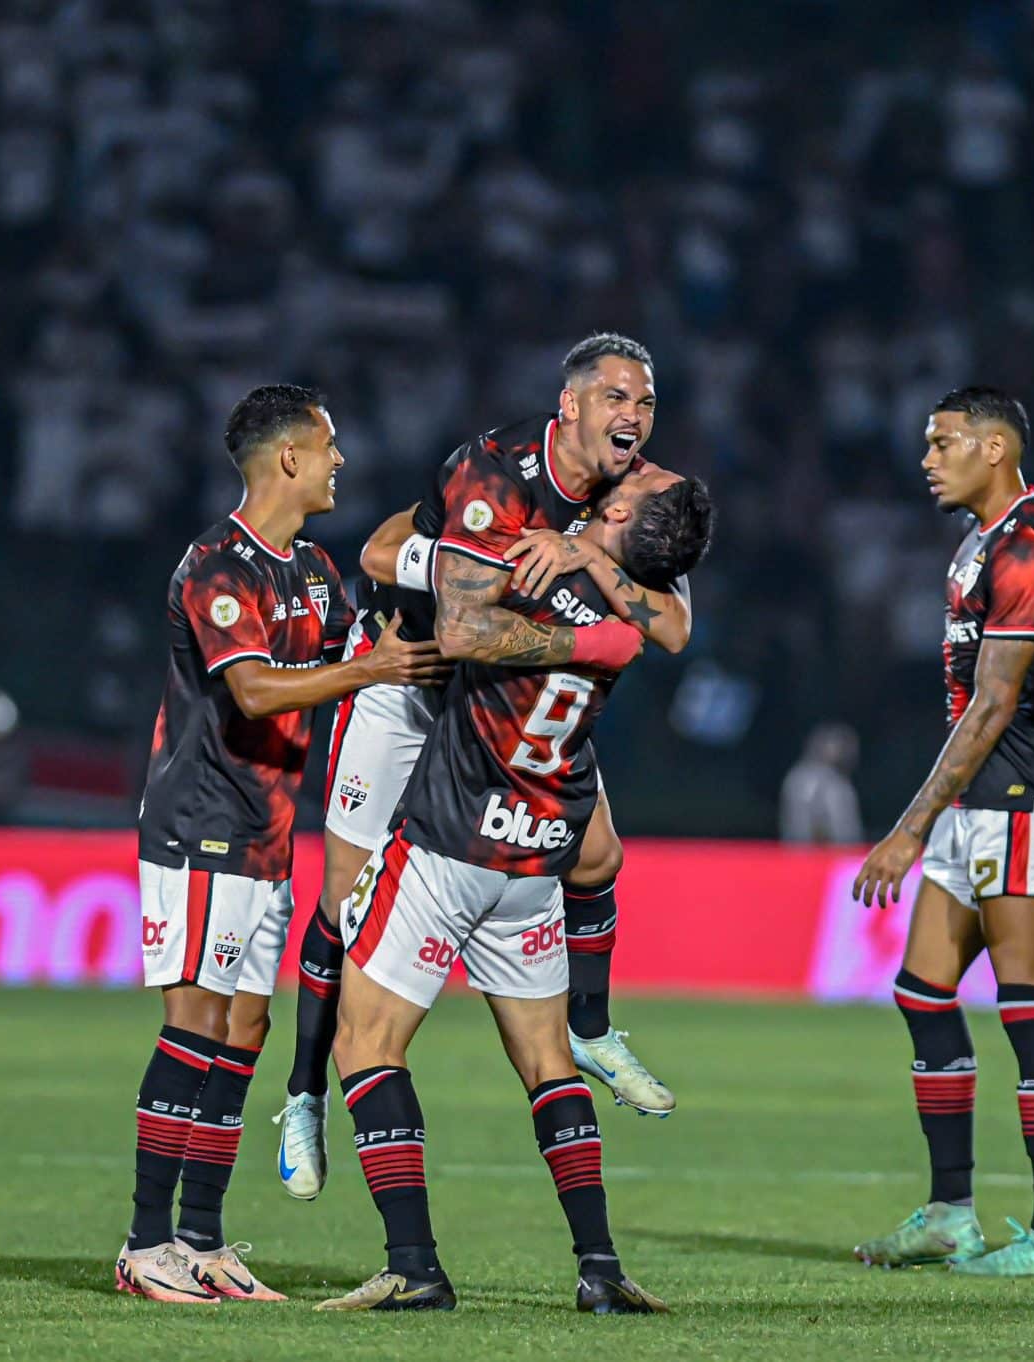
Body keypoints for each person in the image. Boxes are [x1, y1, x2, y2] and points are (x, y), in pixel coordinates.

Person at [272, 333, 692, 1206]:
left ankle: (593, 1028)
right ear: (569, 405)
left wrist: (590, 557)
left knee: (601, 857)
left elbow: (677, 626)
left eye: (645, 402)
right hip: (410, 677)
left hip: (505, 703)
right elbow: (391, 561)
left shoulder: (636, 490)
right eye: (617, 398)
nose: (634, 418)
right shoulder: (496, 471)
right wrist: (558, 600)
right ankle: (304, 1095)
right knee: (346, 908)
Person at [316, 457, 714, 1314]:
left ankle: (413, 1265)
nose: (630, 465)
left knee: (366, 1044)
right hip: (537, 858)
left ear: (614, 523)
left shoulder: (524, 572)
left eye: (632, 485)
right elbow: (668, 628)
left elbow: (407, 575)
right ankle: (600, 1268)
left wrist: (452, 525)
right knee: (546, 1061)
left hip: (451, 843)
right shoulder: (631, 611)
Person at [114, 384, 448, 1304]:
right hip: (199, 824)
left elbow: (348, 664)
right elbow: (256, 693)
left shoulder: (313, 569)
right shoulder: (217, 567)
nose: (340, 461)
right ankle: (144, 1247)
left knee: (245, 1029)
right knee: (193, 1024)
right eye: (330, 446)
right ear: (289, 458)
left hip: (266, 836)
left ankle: (203, 1239)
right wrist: (370, 665)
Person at [850, 386, 1034, 1279]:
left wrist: (908, 828)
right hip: (978, 798)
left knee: (1026, 1001)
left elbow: (996, 700)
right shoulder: (979, 543)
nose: (927, 457)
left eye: (942, 441)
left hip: (1027, 790)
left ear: (995, 448)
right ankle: (953, 1213)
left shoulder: (1030, 544)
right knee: (924, 991)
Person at [780, 722, 864, 844]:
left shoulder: (838, 780)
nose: (847, 751)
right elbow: (800, 826)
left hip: (839, 856)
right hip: (813, 856)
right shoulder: (805, 779)